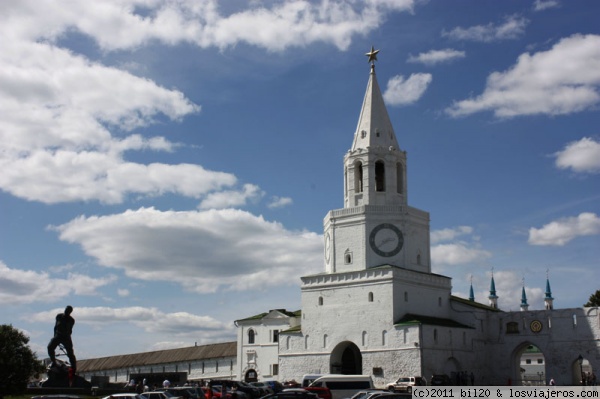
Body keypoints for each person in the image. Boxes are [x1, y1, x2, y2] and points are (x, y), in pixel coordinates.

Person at [47, 305, 77, 373]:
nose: (66, 312)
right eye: (66, 310)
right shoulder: (59, 316)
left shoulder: (71, 320)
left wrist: (66, 338)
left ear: (70, 312)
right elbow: (55, 327)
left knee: (70, 353)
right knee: (50, 347)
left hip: (66, 337)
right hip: (58, 335)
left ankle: (74, 367)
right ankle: (54, 362)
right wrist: (55, 336)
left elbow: (70, 330)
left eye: (68, 311)